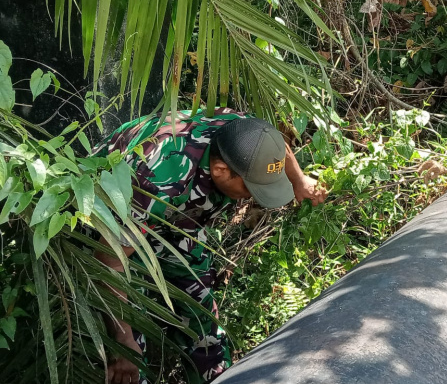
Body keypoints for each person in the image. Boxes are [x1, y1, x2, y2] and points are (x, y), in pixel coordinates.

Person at [94, 108, 328, 384]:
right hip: (114, 215)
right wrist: (122, 340)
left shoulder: (246, 135)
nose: (253, 198)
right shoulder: (155, 181)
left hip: (181, 221)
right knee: (130, 346)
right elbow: (108, 262)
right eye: (251, 189)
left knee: (201, 316)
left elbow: (277, 146)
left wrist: (299, 180)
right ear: (220, 171)